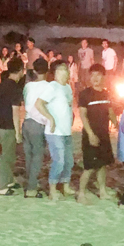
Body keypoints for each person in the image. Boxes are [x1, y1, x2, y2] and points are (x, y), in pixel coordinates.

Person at [77, 64, 117, 203]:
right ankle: (81, 194)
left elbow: (110, 111)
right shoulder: (85, 94)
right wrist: (90, 134)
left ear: (103, 76)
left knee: (102, 165)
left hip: (104, 134)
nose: (95, 78)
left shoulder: (106, 93)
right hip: (90, 135)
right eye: (92, 75)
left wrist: (117, 124)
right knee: (89, 167)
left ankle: (102, 191)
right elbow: (83, 115)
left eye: (98, 75)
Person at [36, 62, 74, 200]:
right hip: (55, 132)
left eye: (66, 69)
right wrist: (50, 118)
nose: (65, 72)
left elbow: (69, 106)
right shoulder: (52, 86)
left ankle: (65, 185)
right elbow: (39, 104)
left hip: (66, 131)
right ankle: (52, 189)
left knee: (69, 161)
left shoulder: (68, 87)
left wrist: (71, 118)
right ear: (56, 73)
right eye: (61, 70)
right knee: (59, 161)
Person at [0, 58, 25, 196]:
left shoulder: (2, 84)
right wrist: (18, 132)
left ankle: (9, 180)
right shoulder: (15, 88)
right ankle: (3, 187)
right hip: (8, 125)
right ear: (21, 70)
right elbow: (15, 111)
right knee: (7, 157)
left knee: (9, 155)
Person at [22, 58, 50, 198]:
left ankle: (30, 183)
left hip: (26, 122)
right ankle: (32, 188)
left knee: (29, 156)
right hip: (38, 124)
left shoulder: (28, 86)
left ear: (34, 70)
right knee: (37, 157)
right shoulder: (49, 87)